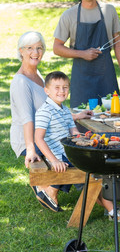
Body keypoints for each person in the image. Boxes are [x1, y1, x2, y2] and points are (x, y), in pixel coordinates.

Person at [35, 71, 120, 223]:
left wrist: (86, 138)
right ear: (47, 90)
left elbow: (74, 133)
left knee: (102, 163)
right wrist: (54, 160)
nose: (62, 91)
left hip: (71, 152)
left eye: (65, 87)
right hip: (61, 156)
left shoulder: (64, 110)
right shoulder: (45, 111)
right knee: (92, 175)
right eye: (57, 87)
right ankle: (113, 211)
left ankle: (112, 206)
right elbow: (38, 138)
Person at [10, 31, 92, 211]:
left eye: (39, 48)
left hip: (44, 132)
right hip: (28, 138)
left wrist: (75, 116)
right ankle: (50, 190)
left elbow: (49, 108)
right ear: (20, 51)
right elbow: (27, 118)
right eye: (30, 48)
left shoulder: (37, 74)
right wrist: (31, 148)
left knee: (77, 145)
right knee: (72, 153)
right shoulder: (21, 82)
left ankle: (49, 189)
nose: (35, 52)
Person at [53, 0, 120, 108]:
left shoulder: (109, 11)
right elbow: (57, 48)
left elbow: (118, 43)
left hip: (107, 76)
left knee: (111, 117)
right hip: (81, 79)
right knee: (82, 121)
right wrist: (82, 54)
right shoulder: (69, 15)